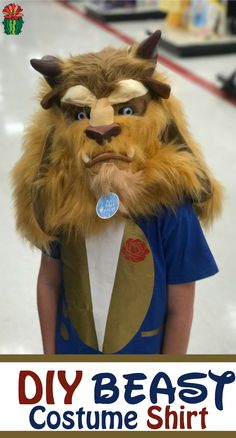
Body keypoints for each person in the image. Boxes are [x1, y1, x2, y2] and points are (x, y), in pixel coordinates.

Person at [12, 31, 222, 355]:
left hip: (142, 381)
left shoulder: (170, 208)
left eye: (126, 111)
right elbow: (49, 283)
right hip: (74, 369)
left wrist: (167, 378)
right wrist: (50, 362)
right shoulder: (62, 198)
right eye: (81, 115)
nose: (100, 128)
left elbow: (181, 307)